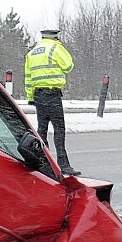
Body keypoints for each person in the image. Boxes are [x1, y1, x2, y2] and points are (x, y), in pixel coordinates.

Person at [24, 27, 77, 175]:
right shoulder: (56, 48)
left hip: (38, 95)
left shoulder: (32, 52)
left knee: (42, 129)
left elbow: (28, 78)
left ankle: (44, 163)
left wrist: (30, 97)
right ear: (55, 37)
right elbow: (68, 66)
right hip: (53, 94)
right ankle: (63, 164)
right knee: (59, 129)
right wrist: (60, 47)